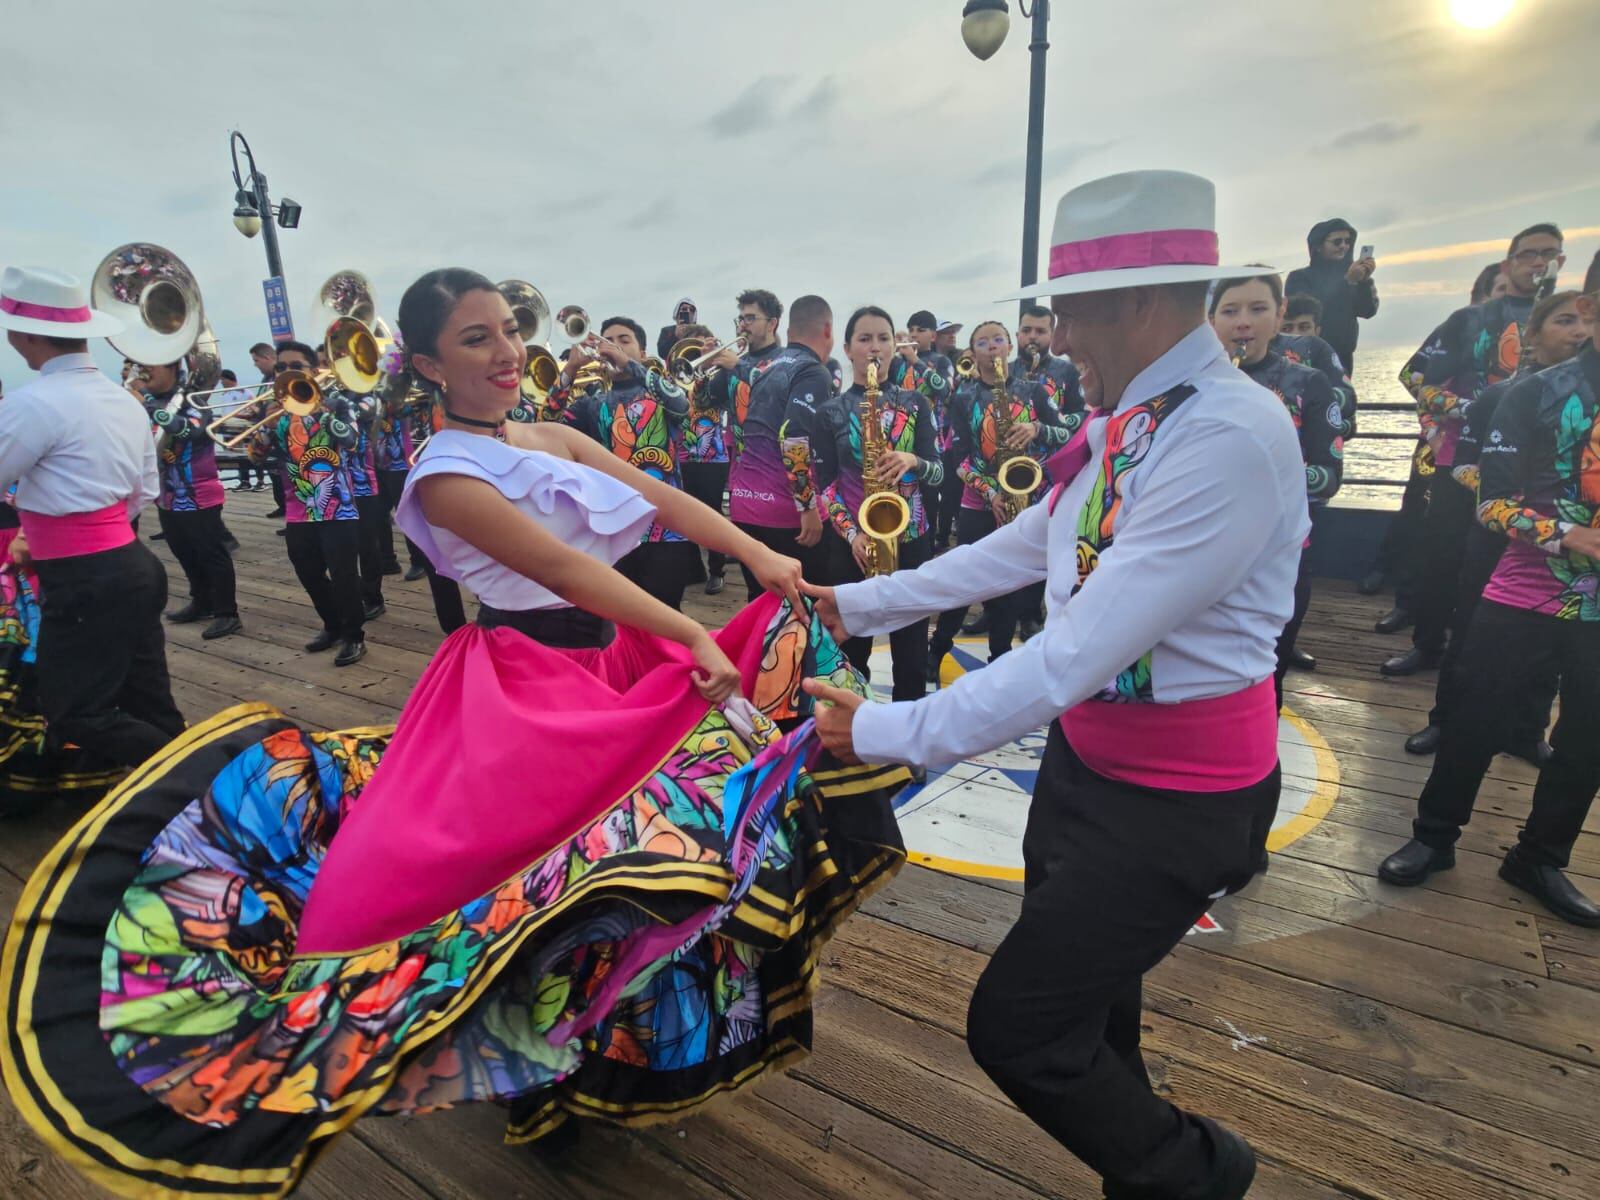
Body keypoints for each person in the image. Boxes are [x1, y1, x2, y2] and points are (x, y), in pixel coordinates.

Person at [0, 267, 910, 1197]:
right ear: (430, 364)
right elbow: (564, 572)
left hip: (617, 661)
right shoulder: (443, 475)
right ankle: (535, 1066)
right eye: (477, 338)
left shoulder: (549, 433)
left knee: (639, 867)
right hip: (529, 685)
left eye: (509, 329)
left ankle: (600, 1052)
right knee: (534, 884)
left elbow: (661, 497)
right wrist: (690, 633)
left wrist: (758, 554)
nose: (507, 351)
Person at [802, 170, 1302, 1199]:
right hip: (1087, 769)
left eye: (1070, 314)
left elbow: (1076, 652)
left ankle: (1202, 1173)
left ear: (1139, 302)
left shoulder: (1227, 438)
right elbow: (1023, 546)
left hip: (1178, 800)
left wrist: (885, 730)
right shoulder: (1134, 419)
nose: (1058, 338)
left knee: (1020, 1029)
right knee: (1092, 1012)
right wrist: (852, 604)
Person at [1377, 252, 1600, 929]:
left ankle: (1540, 856)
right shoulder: (1532, 394)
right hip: (1524, 590)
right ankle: (1434, 836)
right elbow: (1492, 504)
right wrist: (1567, 535)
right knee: (1472, 719)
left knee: (1589, 738)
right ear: (1590, 308)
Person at [0, 266, 186, 773]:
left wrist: (52, 536)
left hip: (86, 579)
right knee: (152, 705)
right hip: (132, 565)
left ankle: (199, 775)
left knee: (75, 714)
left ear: (26, 335)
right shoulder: (123, 402)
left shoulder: (31, 404)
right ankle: (201, 792)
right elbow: (142, 492)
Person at [1401, 287, 1588, 758]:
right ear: (1533, 333)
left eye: (1586, 321)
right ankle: (1445, 722)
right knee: (1469, 637)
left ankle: (1527, 732)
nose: (1579, 331)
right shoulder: (1500, 397)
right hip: (1497, 544)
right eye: (1564, 320)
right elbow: (1462, 466)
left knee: (1550, 655)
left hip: (1573, 562)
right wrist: (1507, 497)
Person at [1383, 223, 1565, 678]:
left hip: (1535, 477)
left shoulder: (1570, 326)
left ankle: (1488, 668)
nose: (1538, 263)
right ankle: (1428, 646)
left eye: (1549, 254)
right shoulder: (1468, 321)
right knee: (1443, 558)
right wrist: (1477, 410)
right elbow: (1420, 382)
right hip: (1460, 464)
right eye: (1528, 254)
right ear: (1508, 263)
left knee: (1510, 573)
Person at [1210, 273, 1344, 707]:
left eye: (1257, 309)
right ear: (1211, 320)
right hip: (1203, 548)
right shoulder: (1191, 385)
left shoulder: (1309, 383)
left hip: (1277, 554)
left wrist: (1268, 472)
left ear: (1279, 314)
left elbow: (1330, 474)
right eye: (1230, 311)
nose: (1243, 322)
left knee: (1266, 677)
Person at [926, 319, 1070, 675]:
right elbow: (959, 460)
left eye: (998, 340)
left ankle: (1001, 659)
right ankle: (937, 650)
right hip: (979, 504)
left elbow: (1066, 434)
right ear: (972, 353)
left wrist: (1036, 428)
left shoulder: (1035, 392)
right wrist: (990, 492)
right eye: (982, 343)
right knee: (965, 581)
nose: (992, 347)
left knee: (1010, 586)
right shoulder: (964, 398)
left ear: (1010, 346)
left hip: (1023, 501)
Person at [814, 306, 943, 699]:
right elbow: (825, 488)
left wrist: (913, 460)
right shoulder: (830, 412)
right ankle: (855, 723)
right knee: (852, 654)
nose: (875, 348)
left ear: (894, 346)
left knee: (912, 653)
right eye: (865, 339)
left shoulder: (917, 404)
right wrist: (852, 534)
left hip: (911, 539)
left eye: (883, 338)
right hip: (854, 546)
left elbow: (939, 472)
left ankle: (909, 724)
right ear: (848, 349)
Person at [248, 340, 368, 666]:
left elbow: (353, 442)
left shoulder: (338, 404)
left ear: (314, 371)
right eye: (281, 367)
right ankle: (332, 625)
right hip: (298, 509)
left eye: (295, 366)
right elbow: (255, 456)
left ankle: (353, 635)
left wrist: (324, 413)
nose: (286, 372)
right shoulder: (277, 411)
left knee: (344, 576)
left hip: (337, 506)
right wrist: (265, 428)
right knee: (309, 573)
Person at [587, 314, 707, 610]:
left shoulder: (660, 393)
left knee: (666, 615)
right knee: (622, 620)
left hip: (666, 531)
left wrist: (629, 365)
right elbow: (550, 418)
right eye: (607, 341)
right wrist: (570, 370)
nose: (614, 346)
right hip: (614, 531)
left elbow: (682, 404)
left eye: (623, 340)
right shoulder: (594, 402)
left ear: (642, 353)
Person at [126, 358, 242, 640]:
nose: (144, 372)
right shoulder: (150, 402)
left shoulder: (193, 400)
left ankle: (227, 612)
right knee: (183, 550)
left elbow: (191, 430)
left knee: (211, 553)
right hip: (166, 494)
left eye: (150, 367)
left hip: (197, 493)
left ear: (172, 368)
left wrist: (147, 402)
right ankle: (202, 600)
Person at [725, 294, 834, 592]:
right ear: (828, 330)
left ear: (786, 330)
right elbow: (793, 435)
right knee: (808, 602)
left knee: (761, 603)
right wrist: (807, 506)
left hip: (745, 503)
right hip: (784, 511)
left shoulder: (766, 368)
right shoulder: (812, 371)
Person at [674, 320, 734, 594]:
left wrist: (711, 363)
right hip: (684, 456)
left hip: (713, 459)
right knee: (685, 515)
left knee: (713, 515)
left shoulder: (719, 377)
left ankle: (717, 571)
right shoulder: (675, 376)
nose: (697, 355)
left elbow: (705, 400)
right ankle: (694, 568)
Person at [1284, 217, 1379, 371]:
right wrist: (1347, 282)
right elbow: (1308, 309)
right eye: (1337, 242)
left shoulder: (1354, 276)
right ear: (1318, 246)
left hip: (1343, 357)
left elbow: (1367, 311)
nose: (1343, 246)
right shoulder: (1299, 277)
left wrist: (1363, 282)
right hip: (1307, 355)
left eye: (1348, 241)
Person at [654, 295, 698, 359]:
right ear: (677, 313)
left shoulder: (700, 332)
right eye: (684, 309)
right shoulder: (666, 331)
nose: (688, 311)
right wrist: (675, 336)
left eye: (692, 310)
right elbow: (662, 353)